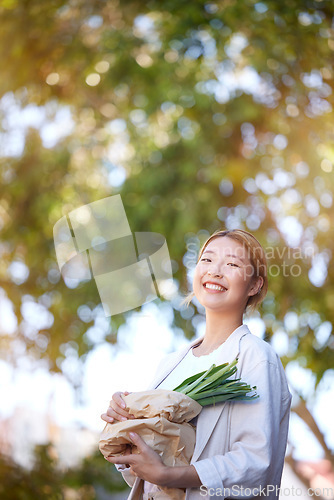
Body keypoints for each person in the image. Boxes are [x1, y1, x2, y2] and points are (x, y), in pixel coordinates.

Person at [101, 229, 292, 500]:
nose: (215, 271)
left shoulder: (256, 357)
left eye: (233, 264)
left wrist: (168, 476)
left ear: (254, 285)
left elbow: (254, 463)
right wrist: (126, 428)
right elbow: (144, 476)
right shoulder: (170, 365)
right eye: (207, 259)